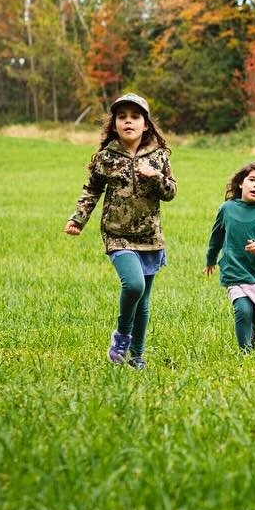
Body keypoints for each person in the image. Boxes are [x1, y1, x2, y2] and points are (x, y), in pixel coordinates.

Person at [64, 93, 176, 369]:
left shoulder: (159, 156)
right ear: (114, 124)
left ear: (146, 124)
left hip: (150, 237)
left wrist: (156, 177)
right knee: (134, 285)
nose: (128, 121)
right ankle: (121, 336)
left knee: (144, 301)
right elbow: (91, 190)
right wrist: (78, 218)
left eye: (135, 117)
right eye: (122, 117)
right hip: (117, 235)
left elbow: (171, 192)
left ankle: (136, 356)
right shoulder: (106, 158)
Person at [203, 162, 255, 352]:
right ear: (241, 183)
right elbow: (216, 237)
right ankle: (245, 352)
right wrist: (210, 259)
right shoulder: (227, 209)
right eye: (252, 180)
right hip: (234, 270)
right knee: (243, 310)